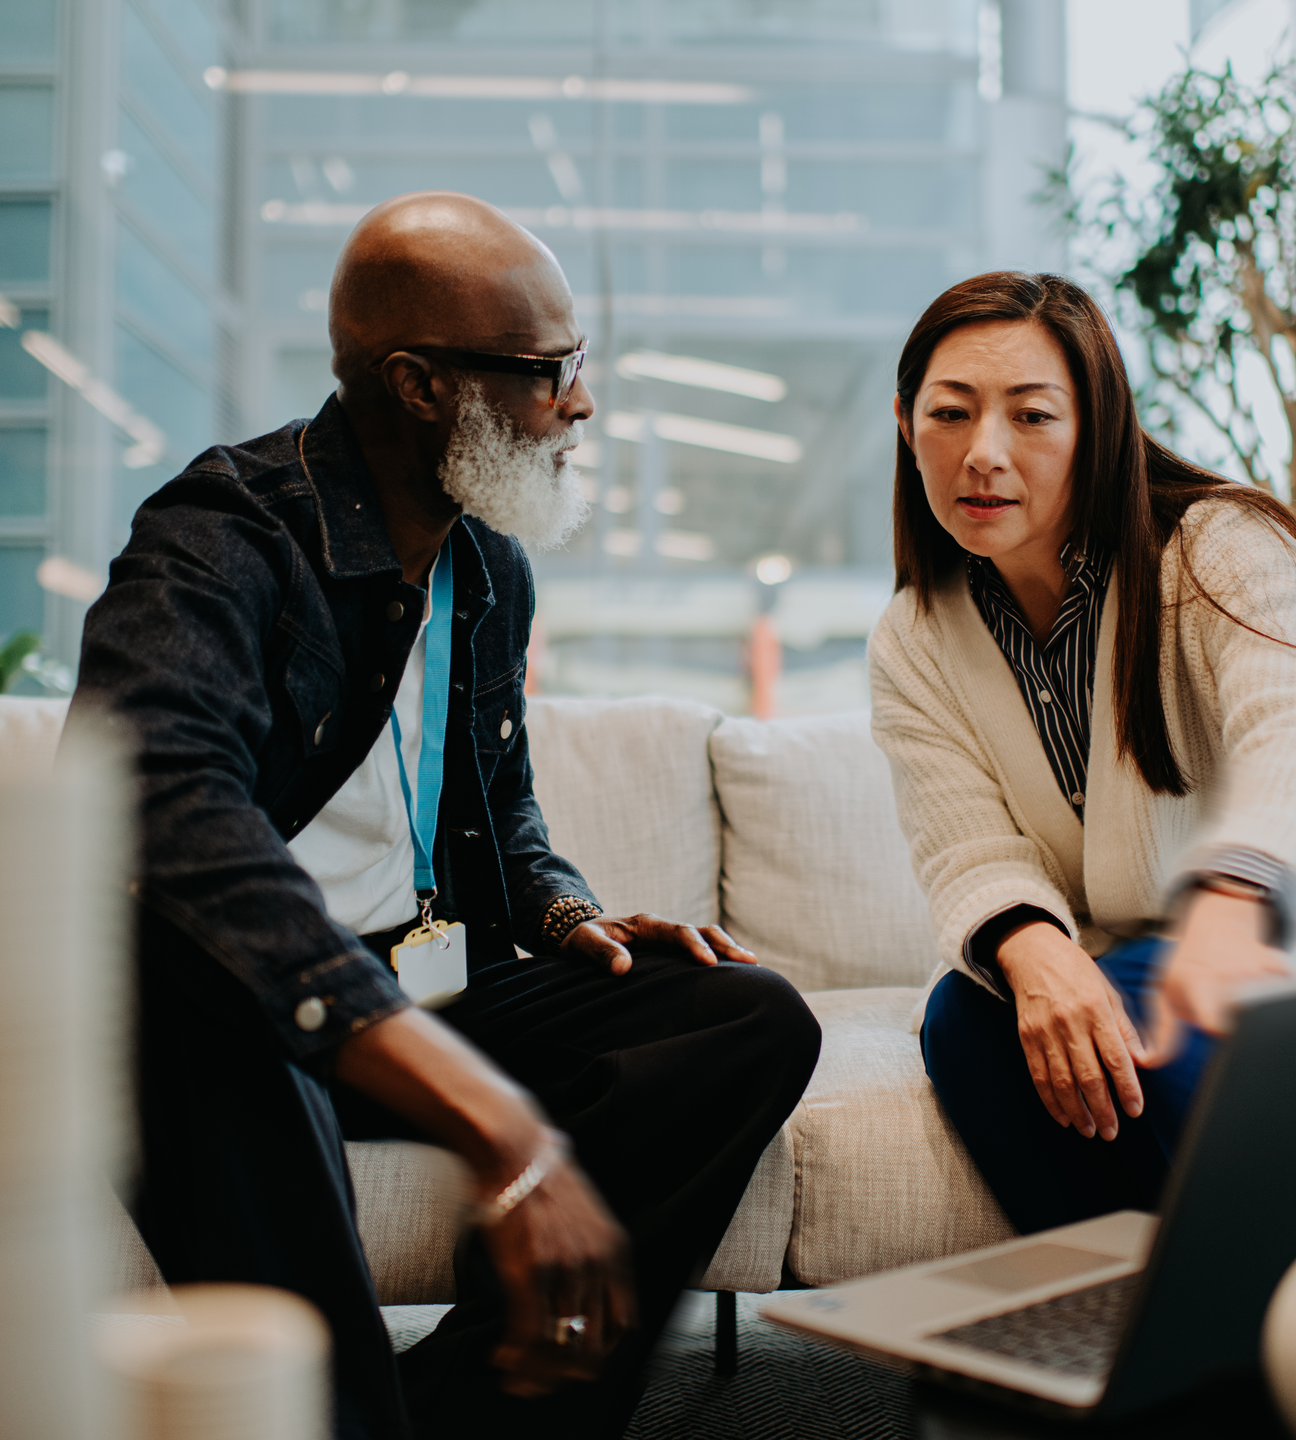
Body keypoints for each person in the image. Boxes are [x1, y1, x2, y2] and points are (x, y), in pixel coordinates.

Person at [70, 191, 821, 1440]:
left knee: (740, 1019)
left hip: (415, 991)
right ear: (421, 386)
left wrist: (568, 913)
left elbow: (496, 813)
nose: (580, 402)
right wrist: (492, 1119)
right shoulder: (221, 537)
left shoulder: (486, 565)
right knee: (198, 985)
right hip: (249, 1008)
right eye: (546, 371)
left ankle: (478, 1414)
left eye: (578, 365)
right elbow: (157, 800)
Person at [868, 271, 1296, 1237]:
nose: (985, 454)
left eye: (1034, 417)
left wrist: (1230, 901)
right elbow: (964, 846)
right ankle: (1111, 1322)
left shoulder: (1220, 545)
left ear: (1100, 426)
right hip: (1128, 952)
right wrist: (1032, 949)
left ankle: (1266, 1327)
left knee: (1164, 1011)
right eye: (950, 414)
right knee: (967, 1021)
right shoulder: (913, 635)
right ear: (903, 421)